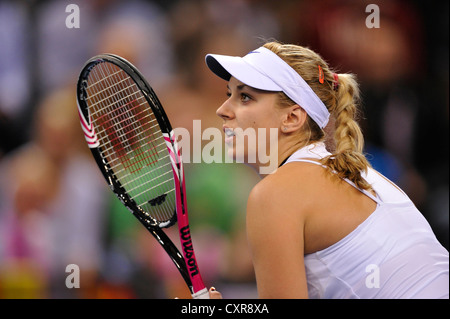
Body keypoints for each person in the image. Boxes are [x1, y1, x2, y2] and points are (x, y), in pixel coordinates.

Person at [204, 41, 449, 299]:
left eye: (244, 97)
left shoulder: (274, 195)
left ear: (292, 118)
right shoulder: (363, 176)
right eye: (228, 94)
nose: (222, 110)